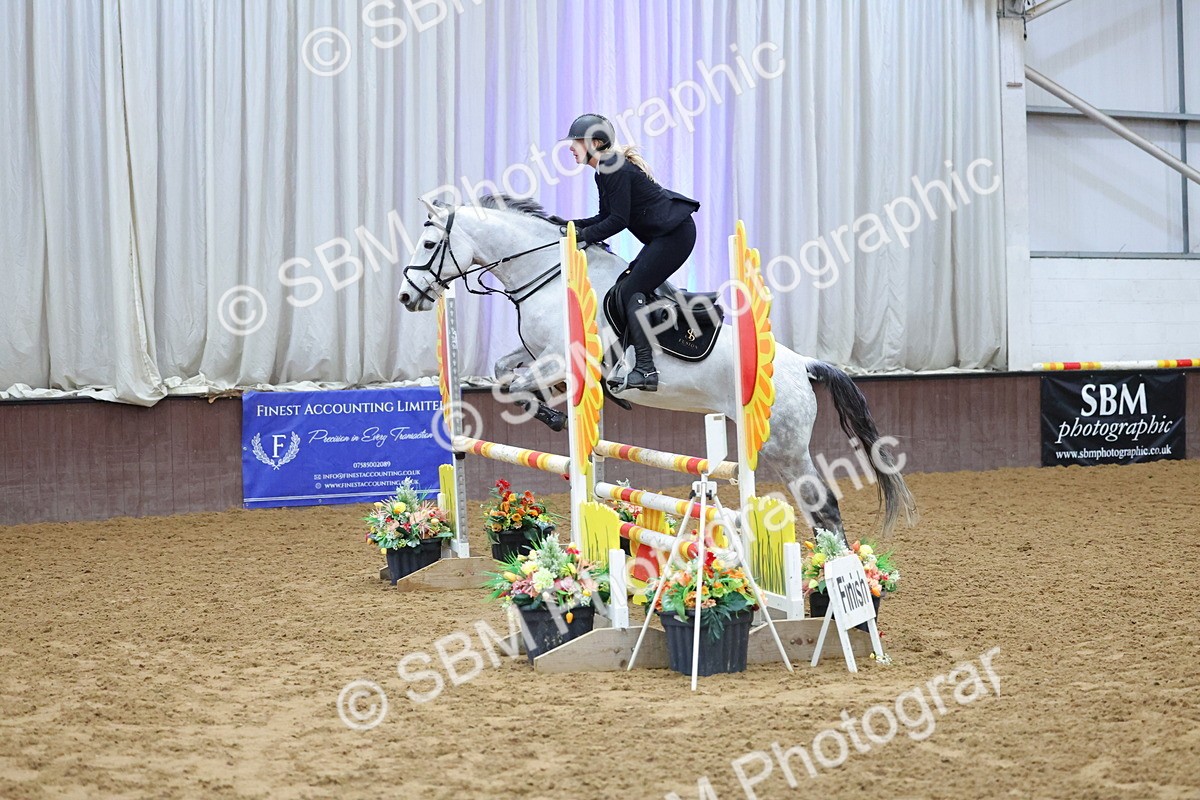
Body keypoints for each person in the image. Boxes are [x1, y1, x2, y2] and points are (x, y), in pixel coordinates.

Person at [562, 113, 700, 392]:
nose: (570, 148)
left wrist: (581, 236)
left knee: (629, 291)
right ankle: (624, 357)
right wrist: (569, 227)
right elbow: (605, 216)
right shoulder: (604, 171)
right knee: (624, 287)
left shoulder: (612, 167)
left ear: (596, 143)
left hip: (675, 235)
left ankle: (646, 369)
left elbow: (618, 222)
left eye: (576, 142)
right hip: (665, 235)